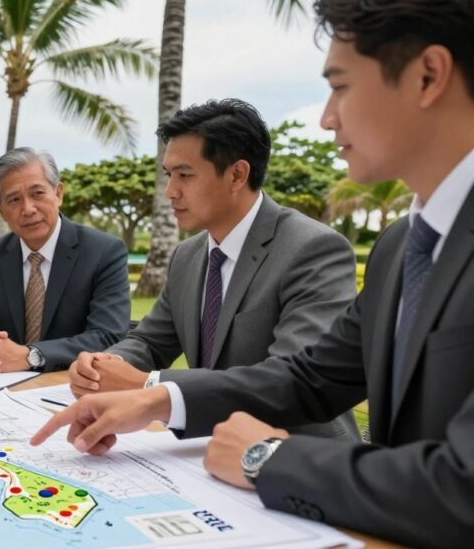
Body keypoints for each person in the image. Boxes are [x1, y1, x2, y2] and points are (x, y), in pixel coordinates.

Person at [32, 0, 474, 546]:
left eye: (340, 85)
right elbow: (313, 376)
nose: (326, 117)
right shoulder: (402, 246)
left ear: (427, 76)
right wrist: (161, 399)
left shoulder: (321, 247)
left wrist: (265, 458)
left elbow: (461, 488)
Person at [68, 99, 359, 441]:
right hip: (208, 447)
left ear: (237, 174)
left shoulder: (313, 249)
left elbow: (289, 377)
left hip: (299, 454)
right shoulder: (187, 256)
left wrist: (151, 386)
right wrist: (102, 364)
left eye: (185, 175)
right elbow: (149, 342)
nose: (170, 192)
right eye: (169, 175)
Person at [0, 147, 129, 373]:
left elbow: (107, 335)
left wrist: (31, 355)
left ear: (58, 193)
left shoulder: (104, 251)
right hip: (6, 389)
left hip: (72, 385)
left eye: (37, 193)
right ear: (0, 211)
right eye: (14, 200)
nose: (28, 209)